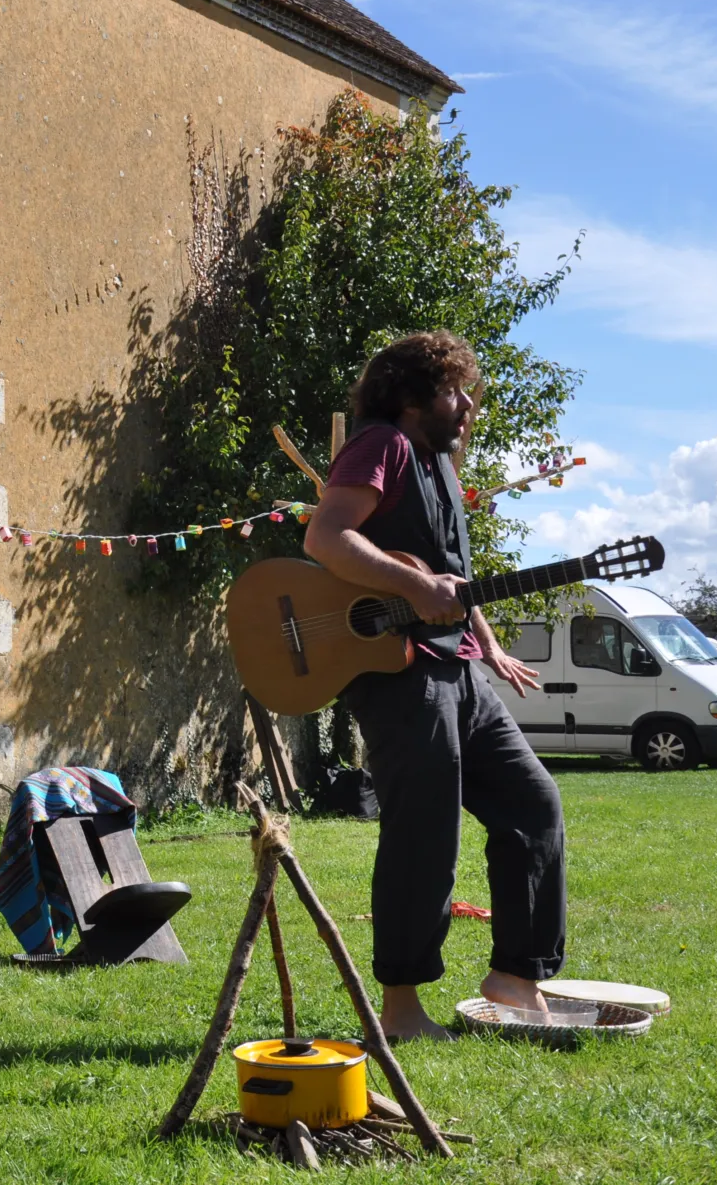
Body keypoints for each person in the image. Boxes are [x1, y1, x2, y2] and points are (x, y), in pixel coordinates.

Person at [303, 331, 566, 1041]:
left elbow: (451, 575)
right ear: (412, 398)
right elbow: (326, 537)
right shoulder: (381, 444)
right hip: (400, 673)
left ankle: (515, 975)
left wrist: (491, 644)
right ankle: (401, 1009)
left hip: (460, 667)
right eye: (453, 391)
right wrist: (414, 587)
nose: (467, 405)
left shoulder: (441, 466)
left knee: (532, 803)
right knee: (425, 833)